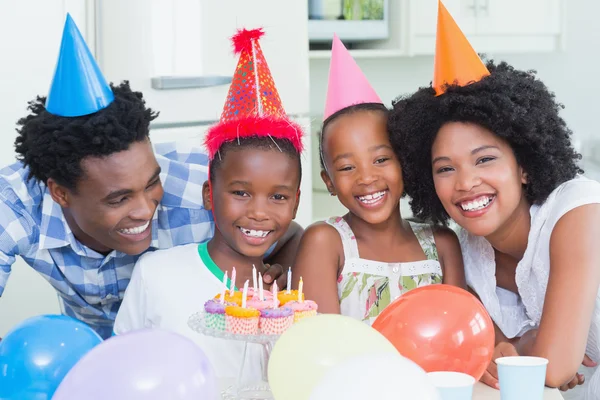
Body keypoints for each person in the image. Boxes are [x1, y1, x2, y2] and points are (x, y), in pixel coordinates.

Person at [0, 16, 293, 339]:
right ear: (60, 193)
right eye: (119, 198)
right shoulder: (15, 203)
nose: (145, 209)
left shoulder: (209, 186)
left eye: (152, 183)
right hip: (85, 356)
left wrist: (278, 270)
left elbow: (288, 231)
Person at [388, 2, 600, 398]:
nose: (466, 182)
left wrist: (531, 350)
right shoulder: (464, 252)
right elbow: (493, 357)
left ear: (524, 165)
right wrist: (529, 349)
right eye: (445, 168)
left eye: (485, 159)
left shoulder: (578, 211)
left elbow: (551, 366)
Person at [114, 28, 304, 380]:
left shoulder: (289, 297)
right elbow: (122, 372)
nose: (259, 212)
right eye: (241, 193)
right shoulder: (156, 274)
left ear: (295, 204)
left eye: (278, 196)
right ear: (208, 195)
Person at [292, 35, 465, 325]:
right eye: (347, 167)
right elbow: (320, 343)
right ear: (329, 182)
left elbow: (461, 335)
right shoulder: (326, 242)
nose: (367, 177)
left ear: (404, 163)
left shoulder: (443, 244)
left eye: (381, 160)